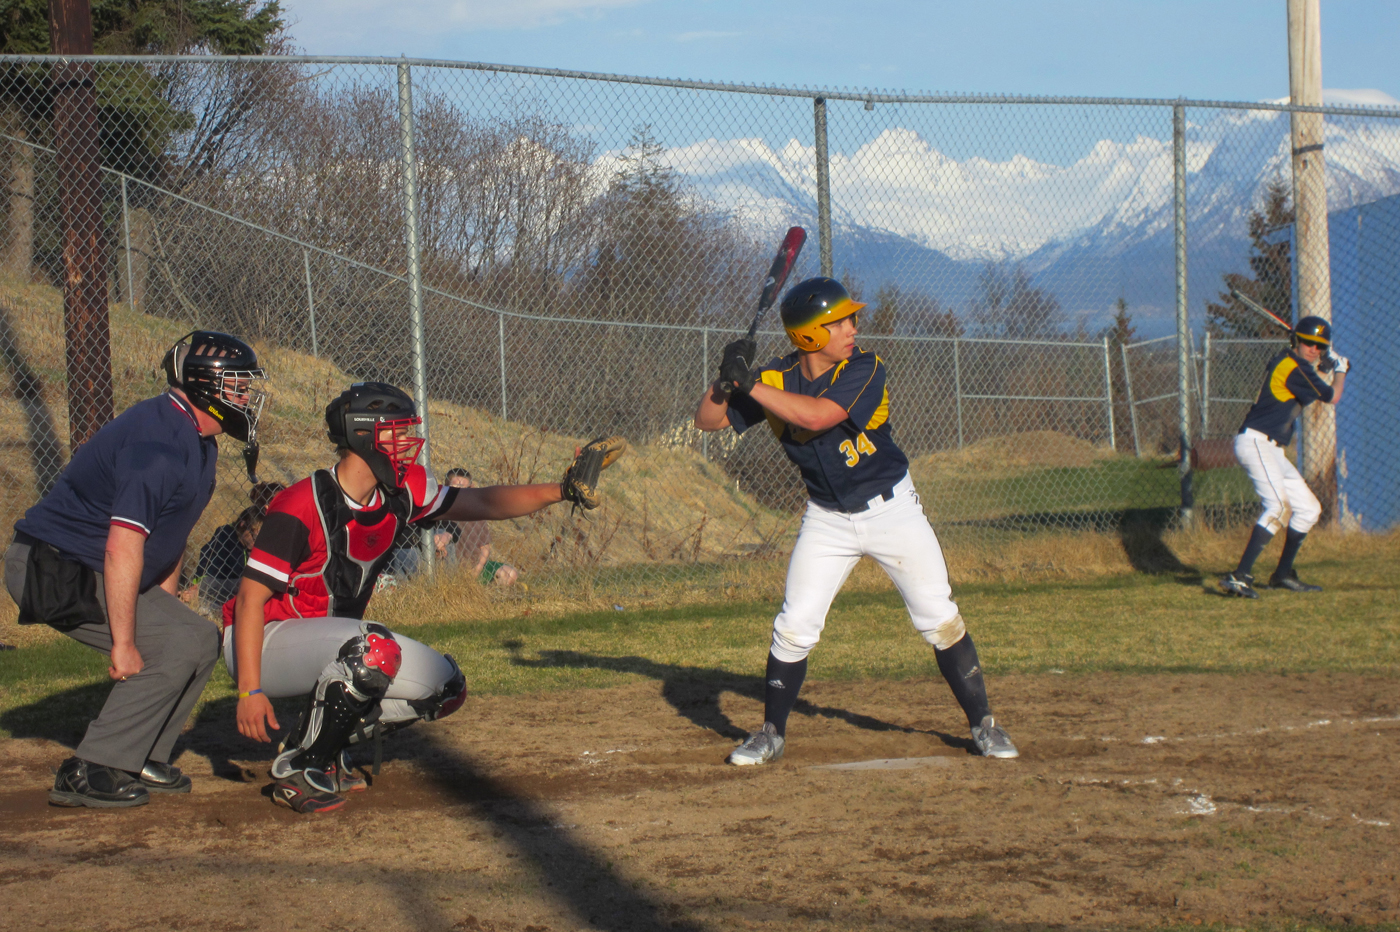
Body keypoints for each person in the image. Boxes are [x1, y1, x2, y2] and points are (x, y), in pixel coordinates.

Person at [225, 382, 623, 813]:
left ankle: (322, 745)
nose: (408, 444)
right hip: (260, 640)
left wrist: (560, 490)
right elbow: (249, 599)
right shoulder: (303, 502)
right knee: (374, 650)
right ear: (364, 435)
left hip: (329, 640)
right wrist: (250, 689)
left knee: (445, 686)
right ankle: (300, 768)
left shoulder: (400, 491)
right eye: (397, 432)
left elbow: (483, 502)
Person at [693, 278, 1017, 765]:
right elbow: (708, 421)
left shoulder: (864, 367)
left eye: (850, 318)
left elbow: (821, 416)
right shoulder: (776, 378)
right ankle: (771, 733)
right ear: (807, 337)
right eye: (838, 321)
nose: (852, 327)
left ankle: (983, 724)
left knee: (938, 616)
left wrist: (751, 384)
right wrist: (724, 382)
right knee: (795, 624)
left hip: (893, 511)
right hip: (827, 519)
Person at [4, 331, 267, 807]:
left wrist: (163, 612)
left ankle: (141, 752)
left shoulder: (197, 438)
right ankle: (90, 767)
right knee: (175, 644)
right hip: (51, 565)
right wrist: (125, 645)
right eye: (238, 386)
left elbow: (169, 536)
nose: (246, 398)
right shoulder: (159, 443)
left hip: (89, 564)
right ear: (206, 386)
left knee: (198, 638)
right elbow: (123, 545)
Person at [1220, 316, 1348, 598]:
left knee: (1308, 509)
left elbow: (1309, 382)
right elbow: (1331, 396)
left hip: (1271, 448)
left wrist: (1323, 365)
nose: (1313, 349)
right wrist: (1341, 370)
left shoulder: (1294, 364)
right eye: (1308, 343)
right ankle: (1239, 576)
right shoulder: (1292, 366)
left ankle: (1282, 575)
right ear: (1296, 341)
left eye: (1319, 346)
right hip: (1255, 442)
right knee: (1277, 506)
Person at [434, 468, 519, 587]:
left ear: (471, 488)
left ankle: (486, 592)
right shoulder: (440, 512)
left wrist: (476, 571)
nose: (459, 490)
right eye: (454, 486)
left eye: (463, 487)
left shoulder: (476, 514)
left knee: (510, 574)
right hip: (451, 567)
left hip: (476, 566)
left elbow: (485, 548)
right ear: (446, 487)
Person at [184, 507, 263, 615]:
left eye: (261, 537)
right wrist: (199, 589)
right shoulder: (225, 535)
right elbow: (209, 571)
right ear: (242, 525)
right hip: (217, 587)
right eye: (254, 536)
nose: (257, 541)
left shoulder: (255, 546)